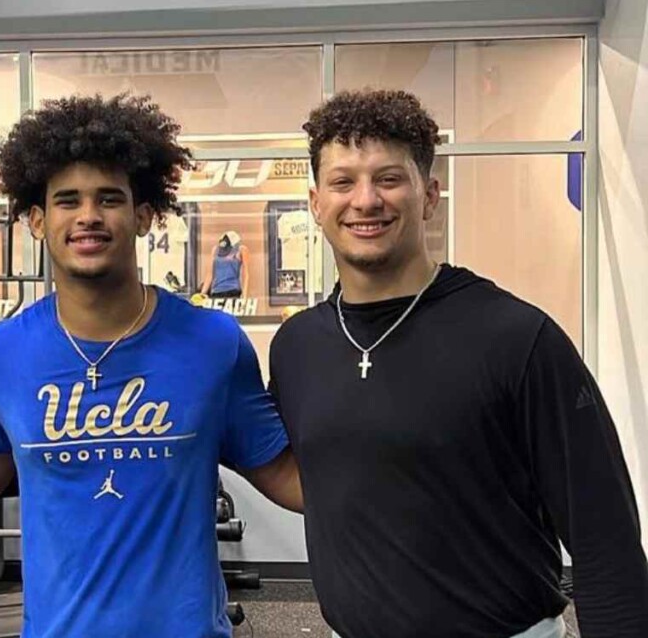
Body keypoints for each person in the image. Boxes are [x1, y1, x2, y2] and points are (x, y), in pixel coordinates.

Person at [270, 89, 648, 638]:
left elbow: (604, 536)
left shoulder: (517, 338)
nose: (366, 200)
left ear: (429, 194)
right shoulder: (298, 347)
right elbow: (327, 476)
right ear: (315, 202)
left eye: (389, 178)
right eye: (343, 181)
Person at [0, 92, 302, 637]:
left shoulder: (213, 343)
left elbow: (285, 474)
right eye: (68, 200)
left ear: (143, 216)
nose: (88, 217)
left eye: (109, 199)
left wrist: (415, 474)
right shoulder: (0, 355)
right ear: (37, 220)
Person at [201, 230, 249, 299]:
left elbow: (245, 274)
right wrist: (202, 293)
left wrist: (244, 295)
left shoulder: (241, 249)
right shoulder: (215, 250)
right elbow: (210, 274)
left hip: (233, 290)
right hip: (216, 291)